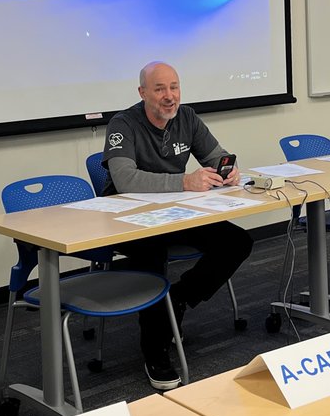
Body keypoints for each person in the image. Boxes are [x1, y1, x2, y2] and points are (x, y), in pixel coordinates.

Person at [101, 61, 252, 390]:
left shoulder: (188, 117)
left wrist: (228, 170)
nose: (169, 96)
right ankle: (154, 350)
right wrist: (184, 182)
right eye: (159, 89)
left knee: (237, 242)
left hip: (176, 212)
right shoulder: (123, 123)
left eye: (174, 87)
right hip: (128, 219)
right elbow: (124, 180)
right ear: (143, 93)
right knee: (153, 258)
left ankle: (178, 300)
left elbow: (216, 155)